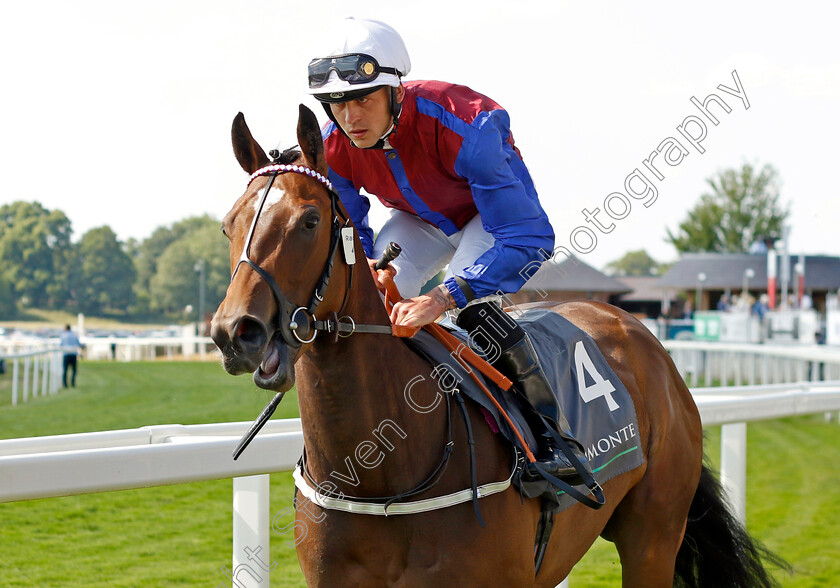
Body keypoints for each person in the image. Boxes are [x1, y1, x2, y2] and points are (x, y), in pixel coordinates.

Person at [307, 17, 591, 484]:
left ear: (396, 91)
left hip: (489, 221)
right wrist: (368, 271)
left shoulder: (469, 125)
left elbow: (531, 239)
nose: (350, 118)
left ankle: (550, 438)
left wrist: (446, 296)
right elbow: (354, 232)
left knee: (466, 314)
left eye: (363, 99)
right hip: (419, 222)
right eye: (337, 105)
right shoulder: (335, 145)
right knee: (372, 301)